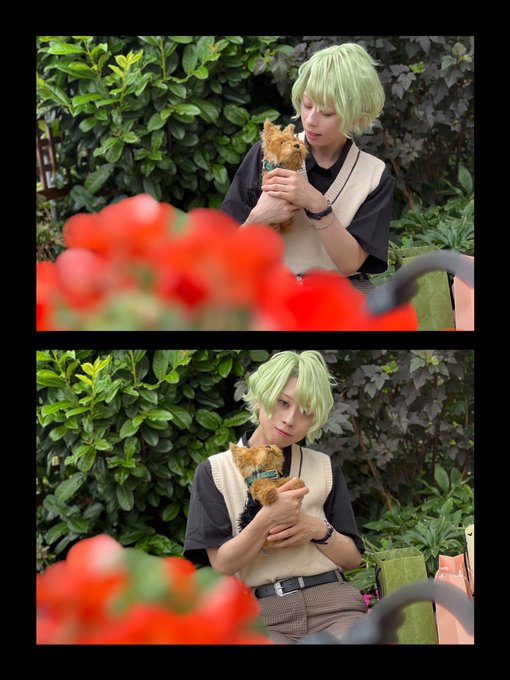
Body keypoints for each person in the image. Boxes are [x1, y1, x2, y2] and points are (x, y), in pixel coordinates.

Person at [184, 351, 367, 643]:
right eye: (283, 402)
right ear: (261, 397)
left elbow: (352, 559)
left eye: (305, 412)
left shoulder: (324, 467)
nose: (290, 420)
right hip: (263, 616)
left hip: (334, 607)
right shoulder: (214, 472)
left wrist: (316, 529)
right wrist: (268, 518)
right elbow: (222, 565)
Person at [220, 43, 395, 293]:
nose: (311, 120)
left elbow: (351, 264)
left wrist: (317, 205)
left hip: (341, 298)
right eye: (307, 104)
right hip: (272, 292)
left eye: (327, 113)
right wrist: (259, 218)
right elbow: (224, 251)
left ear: (357, 116)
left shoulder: (374, 176)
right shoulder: (268, 155)